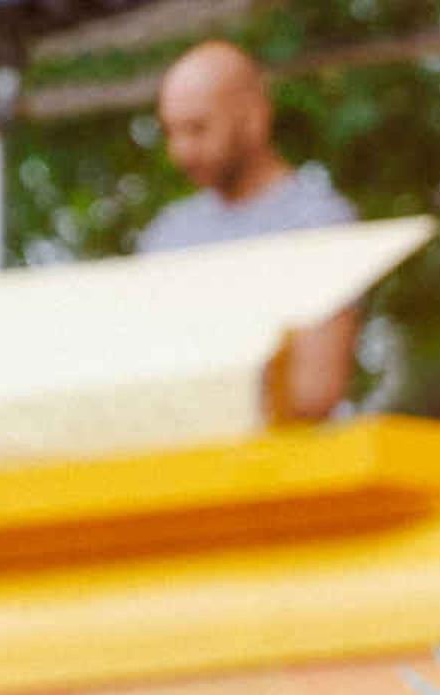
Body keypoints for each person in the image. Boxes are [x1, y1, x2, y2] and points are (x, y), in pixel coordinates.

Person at [139, 39, 360, 418]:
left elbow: (316, 390)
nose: (181, 151)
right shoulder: (166, 236)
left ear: (253, 118)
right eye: (171, 132)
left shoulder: (318, 224)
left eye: (197, 129)